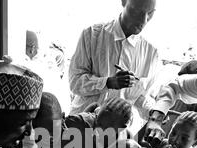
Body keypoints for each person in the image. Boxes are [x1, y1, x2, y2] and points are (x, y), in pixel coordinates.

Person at [68, 0, 162, 135]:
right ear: (124, 2)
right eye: (137, 11)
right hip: (81, 128)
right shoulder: (92, 35)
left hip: (115, 138)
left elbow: (137, 97)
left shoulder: (151, 53)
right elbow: (75, 82)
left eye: (150, 13)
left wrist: (155, 113)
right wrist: (108, 82)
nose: (144, 20)